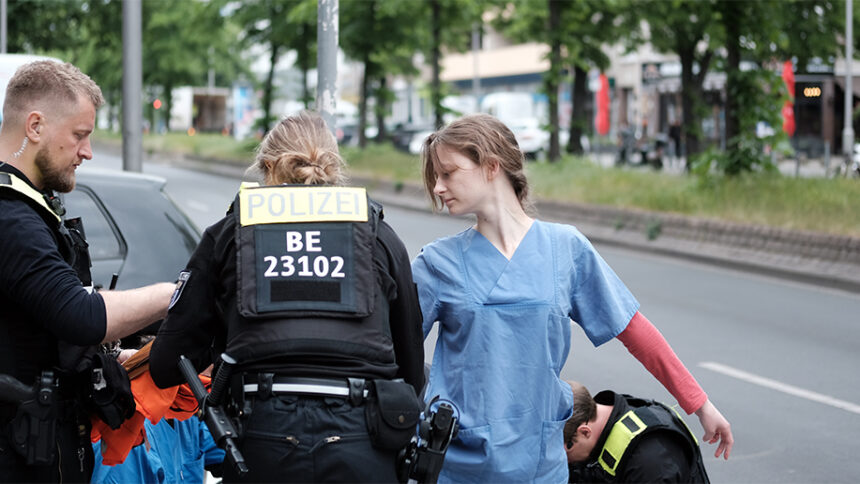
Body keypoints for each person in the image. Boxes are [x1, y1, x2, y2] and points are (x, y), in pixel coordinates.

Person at [412, 113, 732, 483]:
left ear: (491, 166)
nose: (437, 187)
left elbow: (635, 332)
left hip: (539, 464)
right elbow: (389, 353)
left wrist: (700, 405)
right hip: (456, 466)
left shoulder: (566, 249)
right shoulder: (437, 263)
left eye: (448, 173)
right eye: (436, 177)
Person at [148, 110, 425, 482]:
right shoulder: (377, 234)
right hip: (364, 439)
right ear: (333, 167)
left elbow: (168, 363)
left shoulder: (231, 233)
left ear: (266, 167)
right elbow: (411, 363)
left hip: (263, 440)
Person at [0, 60, 176, 482]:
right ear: (36, 125)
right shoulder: (10, 217)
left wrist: (115, 359)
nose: (87, 152)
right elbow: (80, 315)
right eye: (79, 135)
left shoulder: (29, 207)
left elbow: (39, 327)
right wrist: (180, 292)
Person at [564, 381, 709, 483]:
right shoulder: (605, 414)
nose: (563, 461)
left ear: (584, 432)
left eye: (564, 454)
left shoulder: (650, 462)